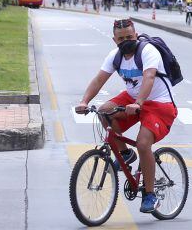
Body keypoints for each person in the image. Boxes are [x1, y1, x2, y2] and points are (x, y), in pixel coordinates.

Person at [75, 19, 179, 214]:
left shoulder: (148, 51)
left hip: (160, 104)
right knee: (104, 111)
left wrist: (138, 103)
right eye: (121, 38)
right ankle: (124, 154)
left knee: (142, 143)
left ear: (136, 34)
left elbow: (148, 78)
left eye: (129, 37)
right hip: (133, 100)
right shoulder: (115, 56)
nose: (126, 41)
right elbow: (99, 79)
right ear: (114, 40)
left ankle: (150, 195)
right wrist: (84, 102)